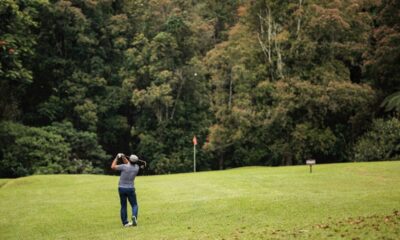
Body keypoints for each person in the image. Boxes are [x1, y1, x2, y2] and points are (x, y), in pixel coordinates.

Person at [111, 153, 141, 227]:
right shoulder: (137, 167)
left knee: (123, 206)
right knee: (134, 205)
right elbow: (128, 163)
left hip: (121, 188)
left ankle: (125, 223)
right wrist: (124, 157)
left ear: (130, 160)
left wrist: (117, 157)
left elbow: (113, 166)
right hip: (131, 189)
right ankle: (134, 216)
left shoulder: (124, 167)